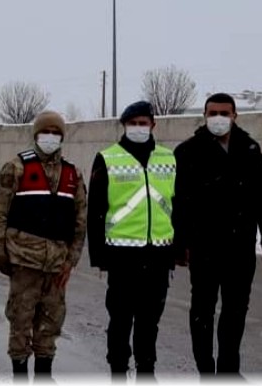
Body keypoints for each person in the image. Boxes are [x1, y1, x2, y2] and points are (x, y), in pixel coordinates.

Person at [173, 93, 262, 376]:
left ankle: (229, 370)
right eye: (213, 113)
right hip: (203, 246)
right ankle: (205, 370)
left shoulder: (249, 149)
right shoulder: (188, 151)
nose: (218, 118)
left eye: (224, 113)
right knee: (202, 311)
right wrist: (180, 243)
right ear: (204, 116)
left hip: (240, 246)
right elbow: (179, 202)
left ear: (234, 116)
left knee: (235, 310)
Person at [0, 110, 87, 379]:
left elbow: (80, 222)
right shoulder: (16, 168)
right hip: (24, 263)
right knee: (20, 324)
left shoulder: (72, 174)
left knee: (50, 326)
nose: (50, 137)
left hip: (56, 267)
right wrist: (2, 256)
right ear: (36, 134)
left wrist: (70, 261)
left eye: (56, 133)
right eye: (46, 132)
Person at [87, 101, 178, 377]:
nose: (138, 128)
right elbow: (96, 210)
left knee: (150, 321)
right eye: (133, 123)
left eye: (143, 123)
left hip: (158, 254)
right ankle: (118, 369)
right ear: (124, 126)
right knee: (121, 319)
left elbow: (179, 206)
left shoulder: (168, 158)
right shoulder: (107, 158)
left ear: (153, 125)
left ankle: (146, 369)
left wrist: (177, 249)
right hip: (122, 255)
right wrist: (99, 256)